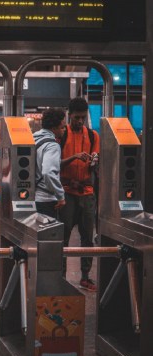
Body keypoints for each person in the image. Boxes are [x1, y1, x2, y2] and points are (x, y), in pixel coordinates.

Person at [59, 97, 100, 291]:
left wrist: (94, 162)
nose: (80, 121)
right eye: (76, 118)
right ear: (69, 115)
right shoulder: (62, 135)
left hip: (86, 191)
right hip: (66, 192)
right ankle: (61, 276)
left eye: (83, 118)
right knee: (63, 236)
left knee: (87, 238)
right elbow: (54, 163)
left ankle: (85, 276)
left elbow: (96, 161)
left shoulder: (93, 136)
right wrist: (73, 158)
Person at [33, 108, 67, 219]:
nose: (64, 130)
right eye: (62, 127)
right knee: (49, 234)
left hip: (34, 197)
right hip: (46, 200)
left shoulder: (34, 139)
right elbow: (48, 172)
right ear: (53, 128)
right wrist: (60, 196)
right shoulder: (52, 145)